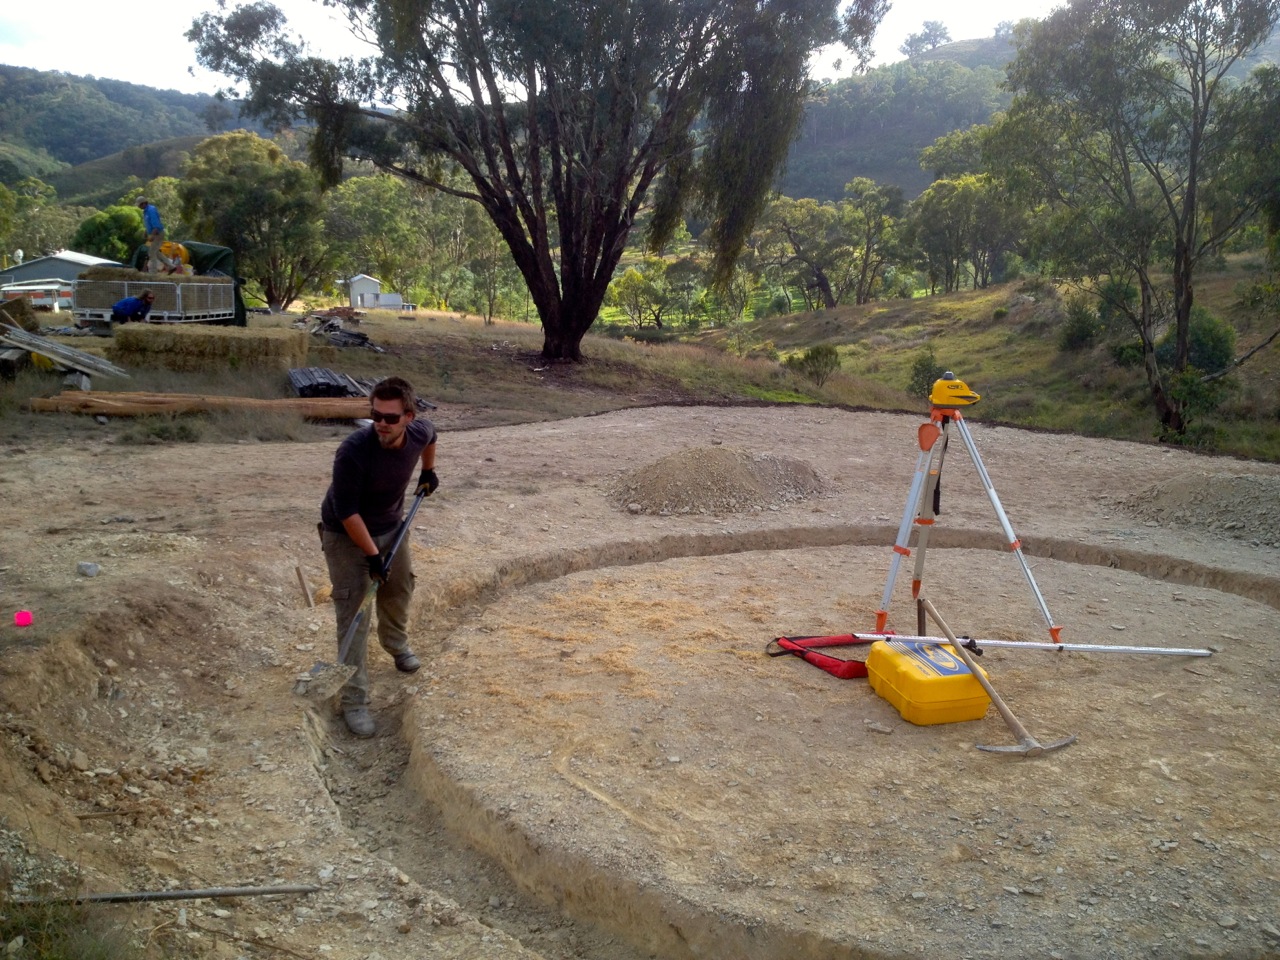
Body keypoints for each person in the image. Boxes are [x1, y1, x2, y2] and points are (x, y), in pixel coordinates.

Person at [319, 376, 438, 737]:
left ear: (409, 417)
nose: (381, 425)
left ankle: (396, 645)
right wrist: (372, 557)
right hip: (346, 535)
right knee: (355, 612)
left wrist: (429, 471)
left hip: (391, 526)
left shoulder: (419, 432)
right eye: (376, 417)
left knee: (399, 588)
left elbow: (432, 437)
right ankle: (354, 701)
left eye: (390, 418)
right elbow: (346, 512)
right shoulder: (353, 450)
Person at [136, 197, 167, 274]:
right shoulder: (146, 211)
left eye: (139, 205)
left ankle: (153, 273)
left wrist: (152, 235)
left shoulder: (151, 210)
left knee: (151, 253)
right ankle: (171, 266)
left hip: (158, 233)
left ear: (143, 203)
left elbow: (156, 225)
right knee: (155, 252)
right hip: (154, 233)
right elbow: (149, 224)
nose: (138, 207)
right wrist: (146, 232)